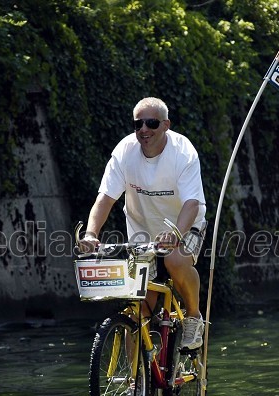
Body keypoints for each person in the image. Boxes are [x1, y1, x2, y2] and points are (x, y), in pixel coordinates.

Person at [79, 97, 206, 350]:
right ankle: (135, 386)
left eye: (151, 123)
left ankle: (193, 316)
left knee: (175, 260)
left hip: (186, 224)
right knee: (137, 310)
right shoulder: (125, 152)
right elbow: (105, 199)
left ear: (166, 125)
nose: (144, 130)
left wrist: (176, 235)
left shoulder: (183, 152)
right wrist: (91, 233)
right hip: (143, 233)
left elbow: (192, 203)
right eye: (138, 124)